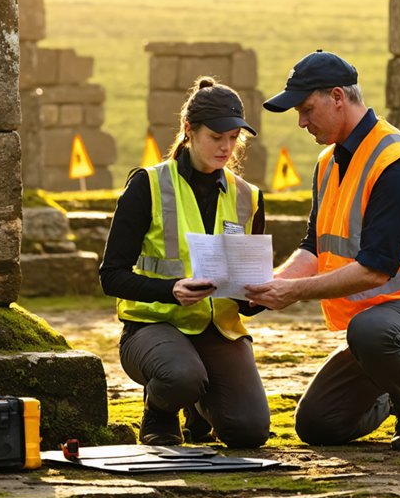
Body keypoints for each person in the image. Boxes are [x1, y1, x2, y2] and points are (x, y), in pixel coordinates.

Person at [246, 50, 400, 450]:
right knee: (318, 425)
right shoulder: (328, 161)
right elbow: (313, 247)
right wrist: (267, 285)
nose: (300, 121)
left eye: (306, 108)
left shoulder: (396, 166)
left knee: (368, 331)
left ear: (337, 97)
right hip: (381, 329)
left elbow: (374, 272)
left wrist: (292, 294)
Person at [100, 76, 271, 449]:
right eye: (216, 137)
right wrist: (170, 290)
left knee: (250, 432)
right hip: (152, 326)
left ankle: (198, 408)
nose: (226, 147)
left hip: (219, 330)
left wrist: (257, 297)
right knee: (181, 376)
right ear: (188, 130)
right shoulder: (147, 185)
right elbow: (111, 276)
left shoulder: (249, 198)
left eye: (234, 138)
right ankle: (160, 411)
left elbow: (246, 289)